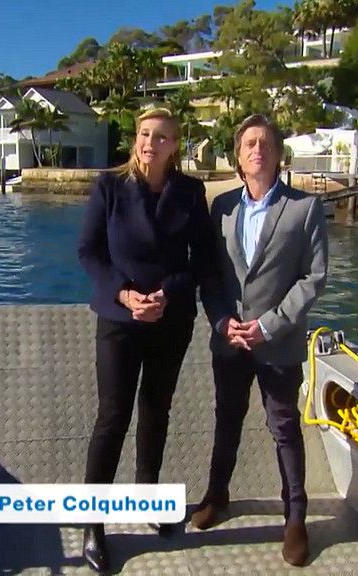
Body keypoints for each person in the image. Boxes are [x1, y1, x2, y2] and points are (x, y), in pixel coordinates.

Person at [76, 107, 215, 573]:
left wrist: (167, 294)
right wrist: (124, 293)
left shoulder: (190, 192)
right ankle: (93, 524)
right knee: (113, 416)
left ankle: (147, 498)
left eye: (160, 136)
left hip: (171, 318)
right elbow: (89, 251)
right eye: (144, 133)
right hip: (120, 318)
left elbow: (203, 260)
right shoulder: (110, 186)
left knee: (156, 408)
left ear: (174, 145)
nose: (149, 142)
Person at [194, 114, 329, 567]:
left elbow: (314, 278)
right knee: (227, 419)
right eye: (249, 143)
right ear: (238, 155)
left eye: (266, 142)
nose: (258, 149)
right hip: (230, 340)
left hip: (279, 342)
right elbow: (210, 275)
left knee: (284, 427)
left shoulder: (304, 208)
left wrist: (270, 324)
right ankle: (217, 495)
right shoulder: (222, 208)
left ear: (278, 154)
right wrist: (221, 322)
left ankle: (296, 517)